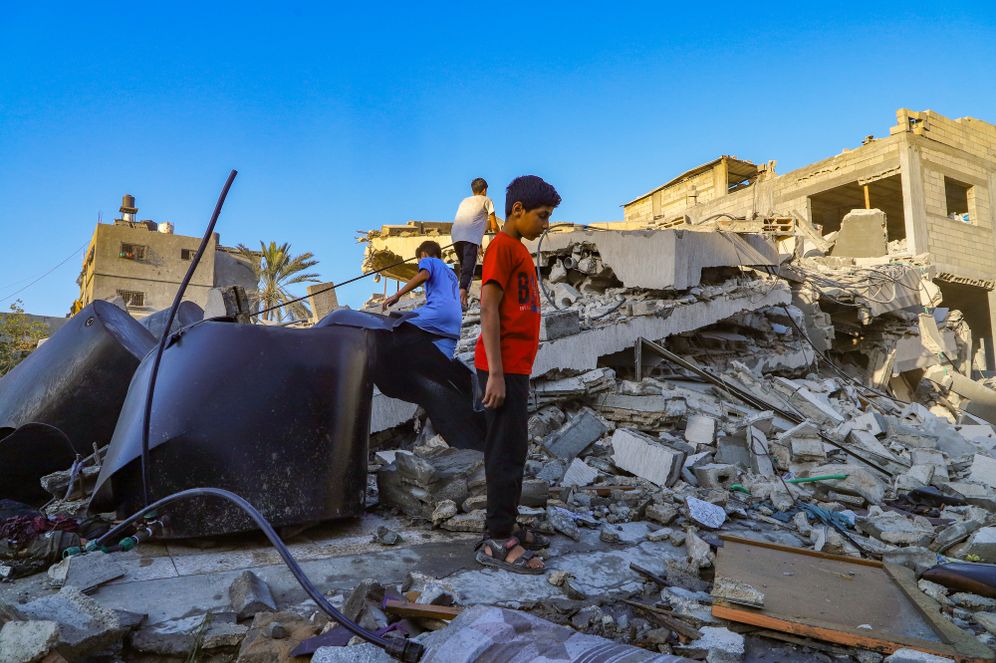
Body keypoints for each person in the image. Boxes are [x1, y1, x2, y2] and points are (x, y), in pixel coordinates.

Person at [474, 175, 561, 574]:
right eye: (542, 216)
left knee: (514, 451)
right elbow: (488, 309)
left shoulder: (518, 250)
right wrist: (495, 373)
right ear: (518, 210)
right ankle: (496, 540)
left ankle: (506, 524)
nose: (546, 224)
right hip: (501, 368)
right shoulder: (501, 248)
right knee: (504, 454)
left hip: (514, 368)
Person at [382, 240, 461, 358]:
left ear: (423, 254)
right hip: (454, 323)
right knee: (443, 361)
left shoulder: (428, 260)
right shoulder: (452, 274)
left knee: (397, 323)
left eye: (419, 262)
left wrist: (398, 294)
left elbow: (424, 275)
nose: (420, 265)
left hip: (437, 312)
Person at [451, 177, 502, 310]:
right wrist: (501, 236)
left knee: (464, 268)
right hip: (469, 237)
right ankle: (461, 299)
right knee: (469, 270)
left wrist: (479, 245)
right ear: (484, 190)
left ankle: (460, 301)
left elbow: (474, 223)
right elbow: (494, 225)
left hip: (456, 236)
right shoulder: (487, 200)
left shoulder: (464, 201)